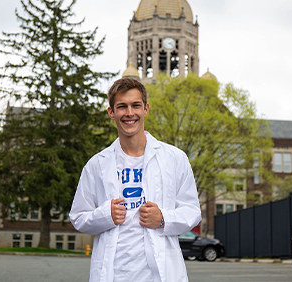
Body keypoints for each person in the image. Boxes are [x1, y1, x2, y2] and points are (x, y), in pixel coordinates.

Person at [69, 77, 201, 282]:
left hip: (161, 275)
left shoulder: (174, 158)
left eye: (135, 105)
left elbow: (192, 211)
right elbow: (78, 217)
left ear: (146, 109)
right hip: (114, 274)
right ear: (111, 112)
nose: (129, 113)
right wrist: (105, 215)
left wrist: (163, 218)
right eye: (122, 106)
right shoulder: (97, 165)